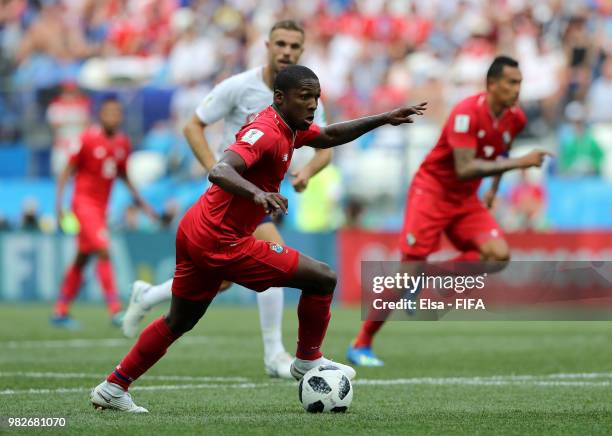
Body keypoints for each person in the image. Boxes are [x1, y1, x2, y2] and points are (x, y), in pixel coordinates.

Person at [90, 65, 427, 412]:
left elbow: (328, 136)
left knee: (179, 321)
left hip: (198, 229)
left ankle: (114, 386)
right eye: (304, 97)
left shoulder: (290, 127)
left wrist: (384, 117)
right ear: (280, 98)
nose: (312, 104)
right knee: (322, 278)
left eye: (316, 97)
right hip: (222, 240)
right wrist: (257, 195)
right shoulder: (266, 131)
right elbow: (220, 169)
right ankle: (308, 361)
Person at [121, 20, 331, 379]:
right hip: (236, 193)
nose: (286, 51)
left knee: (218, 283)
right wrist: (212, 168)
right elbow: (193, 125)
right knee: (281, 262)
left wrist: (307, 172)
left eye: (294, 46)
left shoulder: (303, 93)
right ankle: (276, 355)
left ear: (301, 51)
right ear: (267, 45)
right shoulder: (239, 86)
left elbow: (325, 142)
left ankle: (149, 297)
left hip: (261, 197)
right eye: (280, 43)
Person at [347, 56, 552, 367]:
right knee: (407, 271)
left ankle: (427, 276)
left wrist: (495, 189)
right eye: (511, 82)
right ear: (492, 84)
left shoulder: (516, 118)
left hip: (466, 199)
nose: (517, 89)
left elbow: (503, 150)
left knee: (497, 255)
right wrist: (521, 163)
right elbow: (466, 167)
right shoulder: (466, 112)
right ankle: (361, 343)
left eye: (520, 83)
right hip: (432, 192)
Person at [51, 95, 156, 329]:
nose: (113, 117)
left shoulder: (122, 143)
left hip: (101, 208)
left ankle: (60, 310)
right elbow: (66, 171)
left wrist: (144, 205)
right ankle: (115, 310)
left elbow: (124, 176)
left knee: (82, 258)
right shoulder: (87, 139)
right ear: (100, 114)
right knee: (103, 249)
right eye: (109, 112)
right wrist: (59, 206)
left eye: (117, 113)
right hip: (83, 204)